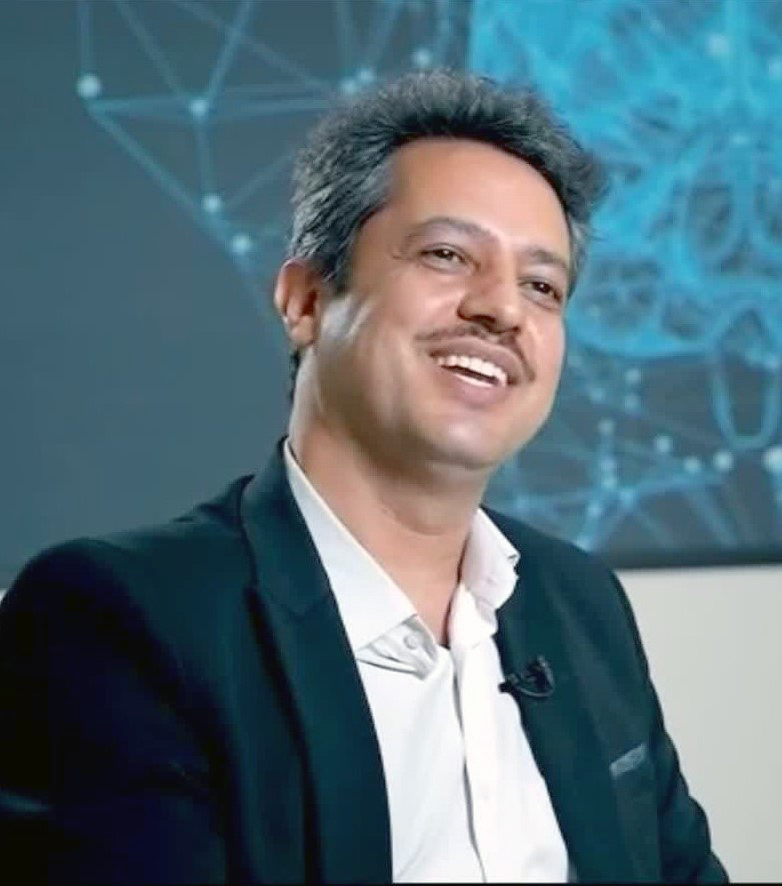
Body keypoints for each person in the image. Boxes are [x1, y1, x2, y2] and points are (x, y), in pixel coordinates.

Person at [0, 69, 727, 884]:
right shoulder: (120, 620)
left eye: (542, 286)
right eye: (448, 255)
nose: (502, 309)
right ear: (307, 300)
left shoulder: (579, 603)